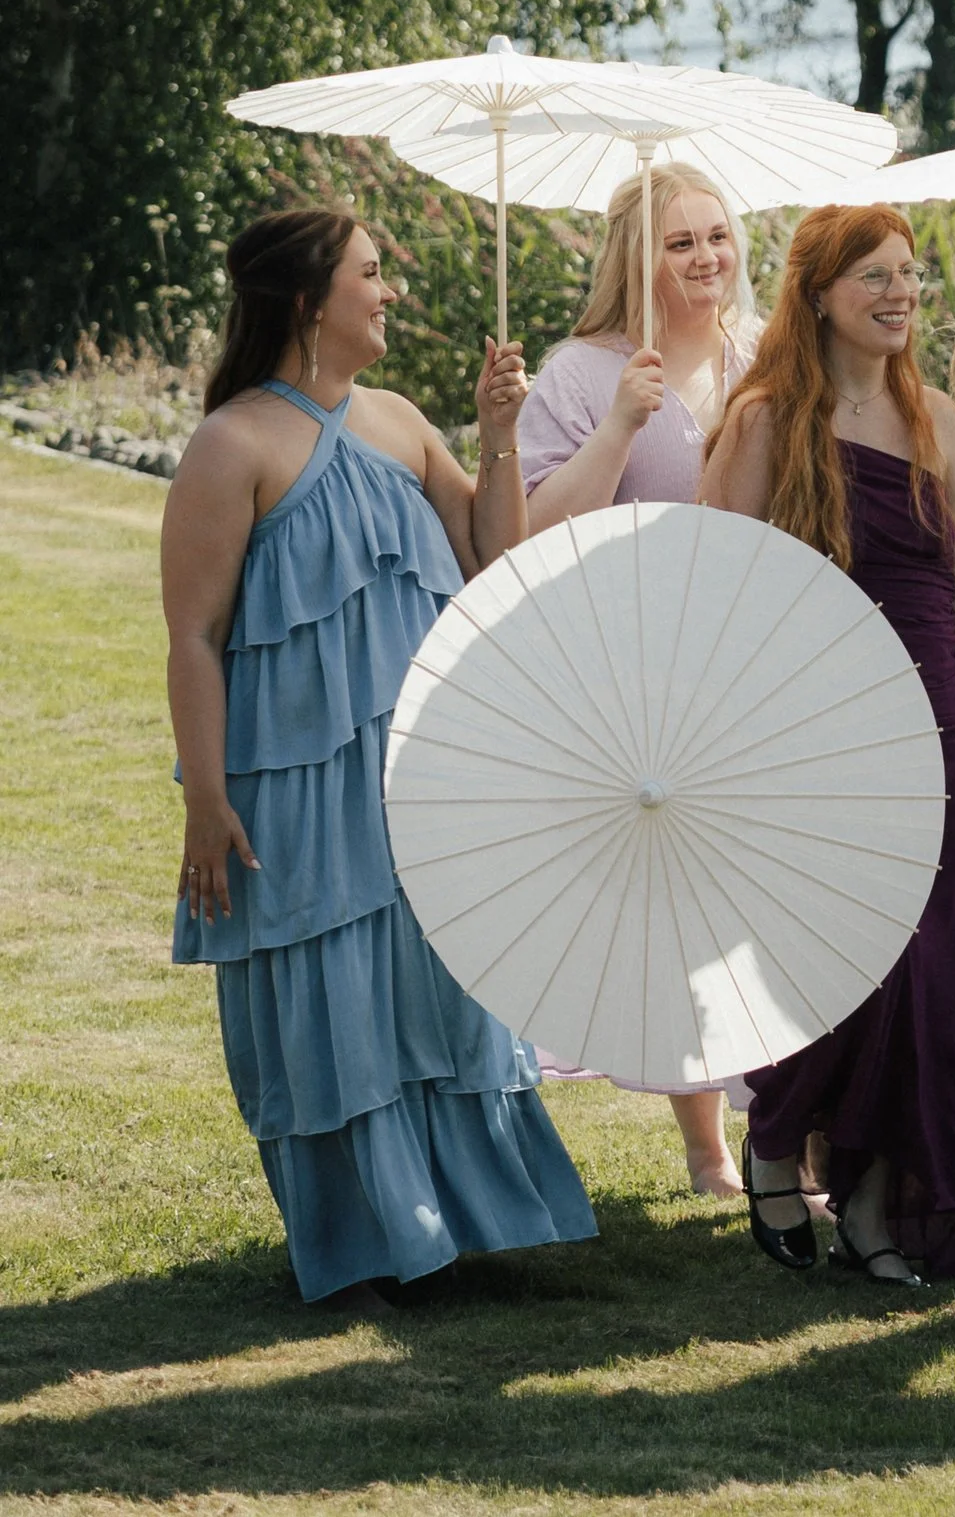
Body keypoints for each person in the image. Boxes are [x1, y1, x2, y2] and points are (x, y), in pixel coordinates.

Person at [163, 209, 597, 1299]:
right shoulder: (234, 444)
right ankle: (369, 1232)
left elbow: (496, 550)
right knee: (335, 993)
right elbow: (193, 638)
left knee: (440, 984)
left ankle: (473, 1213)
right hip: (300, 780)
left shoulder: (400, 422)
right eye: (371, 273)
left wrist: (499, 431)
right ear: (311, 300)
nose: (389, 289)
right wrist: (205, 797)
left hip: (425, 767)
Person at [701, 204, 955, 1284]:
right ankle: (778, 1136)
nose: (898, 291)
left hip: (928, 714)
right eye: (872, 274)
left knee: (926, 974)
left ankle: (871, 1210)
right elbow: (715, 585)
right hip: (816, 722)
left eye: (909, 273)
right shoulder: (767, 418)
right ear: (818, 293)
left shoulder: (936, 418)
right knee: (853, 964)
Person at [515, 169, 757, 1197]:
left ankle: (804, 1126)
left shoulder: (765, 355)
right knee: (678, 904)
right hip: (640, 669)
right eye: (679, 242)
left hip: (759, 653)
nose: (706, 258)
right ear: (635, 257)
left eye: (716, 236)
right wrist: (617, 423)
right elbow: (528, 529)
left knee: (765, 898)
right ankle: (708, 1149)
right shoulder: (580, 372)